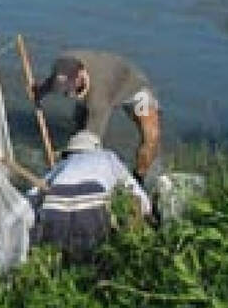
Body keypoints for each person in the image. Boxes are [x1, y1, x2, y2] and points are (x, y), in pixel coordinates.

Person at [31, 48, 161, 183]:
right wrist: (40, 91)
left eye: (69, 90)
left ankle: (138, 178)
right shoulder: (62, 70)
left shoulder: (98, 98)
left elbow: (92, 140)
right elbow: (52, 83)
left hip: (132, 88)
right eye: (64, 92)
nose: (68, 94)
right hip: (90, 90)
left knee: (151, 136)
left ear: (80, 75)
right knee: (78, 134)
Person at [28, 130, 152, 256]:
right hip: (92, 204)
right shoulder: (108, 156)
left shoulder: (62, 165)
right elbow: (137, 193)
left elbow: (32, 196)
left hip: (54, 208)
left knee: (56, 258)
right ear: (97, 148)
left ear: (69, 153)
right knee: (95, 260)